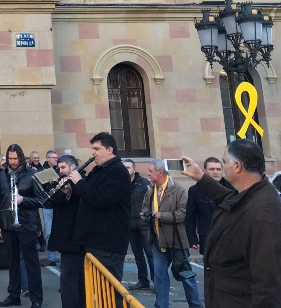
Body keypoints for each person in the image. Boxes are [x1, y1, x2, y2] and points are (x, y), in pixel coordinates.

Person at [182, 139, 281, 308]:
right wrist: (201, 178)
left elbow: (270, 287)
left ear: (237, 166)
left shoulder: (264, 215)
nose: (223, 168)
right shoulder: (251, 195)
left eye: (225, 162)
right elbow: (228, 199)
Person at [67, 132, 131, 301]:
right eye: (92, 149)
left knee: (108, 296)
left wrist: (79, 182)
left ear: (109, 150)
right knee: (92, 293)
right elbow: (87, 194)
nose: (93, 153)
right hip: (93, 242)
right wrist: (69, 189)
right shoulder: (98, 170)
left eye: (97, 148)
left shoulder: (118, 171)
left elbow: (101, 199)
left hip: (107, 244)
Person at [142, 159, 202, 308]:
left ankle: (196, 305)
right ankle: (161, 306)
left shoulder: (179, 190)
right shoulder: (150, 189)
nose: (148, 174)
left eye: (150, 171)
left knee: (186, 277)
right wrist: (145, 214)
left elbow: (184, 214)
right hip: (157, 242)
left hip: (177, 242)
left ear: (160, 172)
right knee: (159, 278)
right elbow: (144, 207)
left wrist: (162, 215)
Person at [0, 144, 46, 308]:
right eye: (9, 159)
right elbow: (1, 200)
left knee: (31, 263)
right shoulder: (2, 173)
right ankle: (13, 296)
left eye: (15, 158)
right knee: (12, 262)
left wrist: (24, 200)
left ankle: (36, 299)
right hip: (8, 224)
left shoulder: (32, 174)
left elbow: (42, 200)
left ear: (21, 158)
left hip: (26, 224)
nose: (12, 162)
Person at [47, 155, 84, 308]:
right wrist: (63, 191)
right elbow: (52, 200)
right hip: (64, 240)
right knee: (73, 281)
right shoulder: (59, 182)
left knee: (71, 281)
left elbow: (83, 201)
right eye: (59, 167)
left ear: (73, 167)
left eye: (63, 167)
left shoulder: (82, 182)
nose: (60, 171)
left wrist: (70, 192)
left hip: (77, 240)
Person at [185, 157, 234, 255]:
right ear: (204, 171)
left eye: (218, 169)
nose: (215, 172)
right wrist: (192, 239)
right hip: (207, 236)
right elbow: (190, 217)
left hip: (229, 237)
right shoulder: (195, 190)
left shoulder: (232, 188)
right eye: (212, 169)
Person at [122, 159, 154, 290]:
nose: (126, 170)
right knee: (137, 255)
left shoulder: (144, 183)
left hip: (144, 225)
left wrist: (149, 216)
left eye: (128, 167)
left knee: (150, 254)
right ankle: (143, 281)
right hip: (130, 225)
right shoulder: (120, 184)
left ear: (134, 169)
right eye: (124, 168)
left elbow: (153, 201)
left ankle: (157, 282)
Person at [39, 150, 59, 267]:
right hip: (48, 205)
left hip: (58, 205)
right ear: (47, 159)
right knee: (49, 232)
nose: (56, 159)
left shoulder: (59, 169)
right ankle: (51, 257)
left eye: (56, 157)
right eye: (53, 157)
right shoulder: (43, 171)